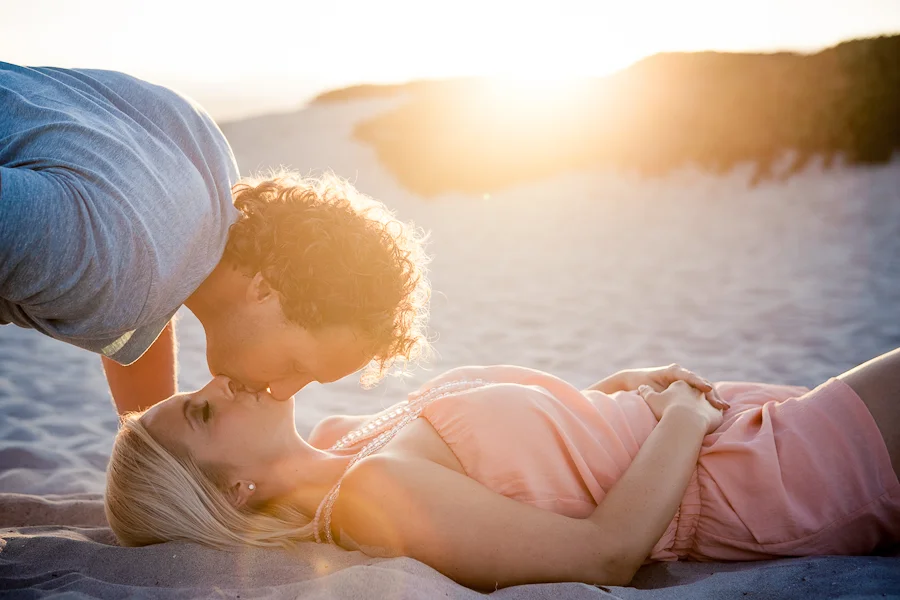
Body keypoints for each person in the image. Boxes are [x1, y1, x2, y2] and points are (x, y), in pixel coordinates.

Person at [104, 349, 900, 590]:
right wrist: (687, 419)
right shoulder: (377, 494)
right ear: (234, 491)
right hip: (761, 473)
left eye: (196, 391)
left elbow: (546, 455)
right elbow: (606, 552)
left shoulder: (353, 434)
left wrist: (620, 389)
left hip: (739, 421)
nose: (217, 383)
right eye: (202, 414)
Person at [0, 62, 430, 413]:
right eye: (296, 366)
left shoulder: (204, 166)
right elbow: (115, 263)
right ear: (266, 289)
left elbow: (145, 286)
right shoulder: (110, 260)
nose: (282, 393)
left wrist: (155, 447)